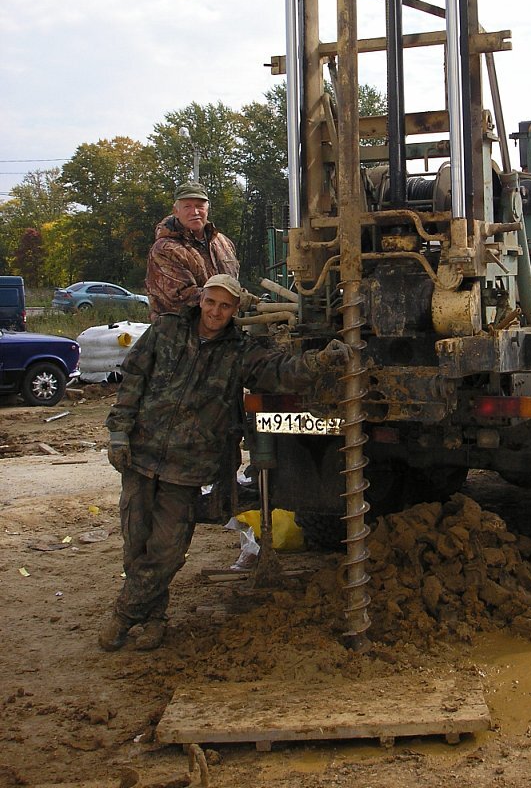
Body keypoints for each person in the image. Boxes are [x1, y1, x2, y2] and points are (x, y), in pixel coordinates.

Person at [99, 274, 352, 652]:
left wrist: (320, 362)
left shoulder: (240, 352)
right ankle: (154, 618)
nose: (216, 311)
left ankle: (124, 614)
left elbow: (279, 371)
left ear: (235, 310)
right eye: (212, 302)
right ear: (201, 300)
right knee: (136, 547)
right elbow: (133, 380)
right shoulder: (165, 331)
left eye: (225, 306)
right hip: (141, 454)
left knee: (166, 551)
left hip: (188, 466)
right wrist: (119, 433)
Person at [145, 181, 239, 320]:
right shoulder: (165, 249)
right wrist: (236, 299)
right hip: (179, 333)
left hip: (223, 332)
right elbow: (181, 298)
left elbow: (234, 282)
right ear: (176, 211)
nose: (194, 212)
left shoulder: (223, 243)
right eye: (187, 206)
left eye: (199, 206)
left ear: (207, 208)